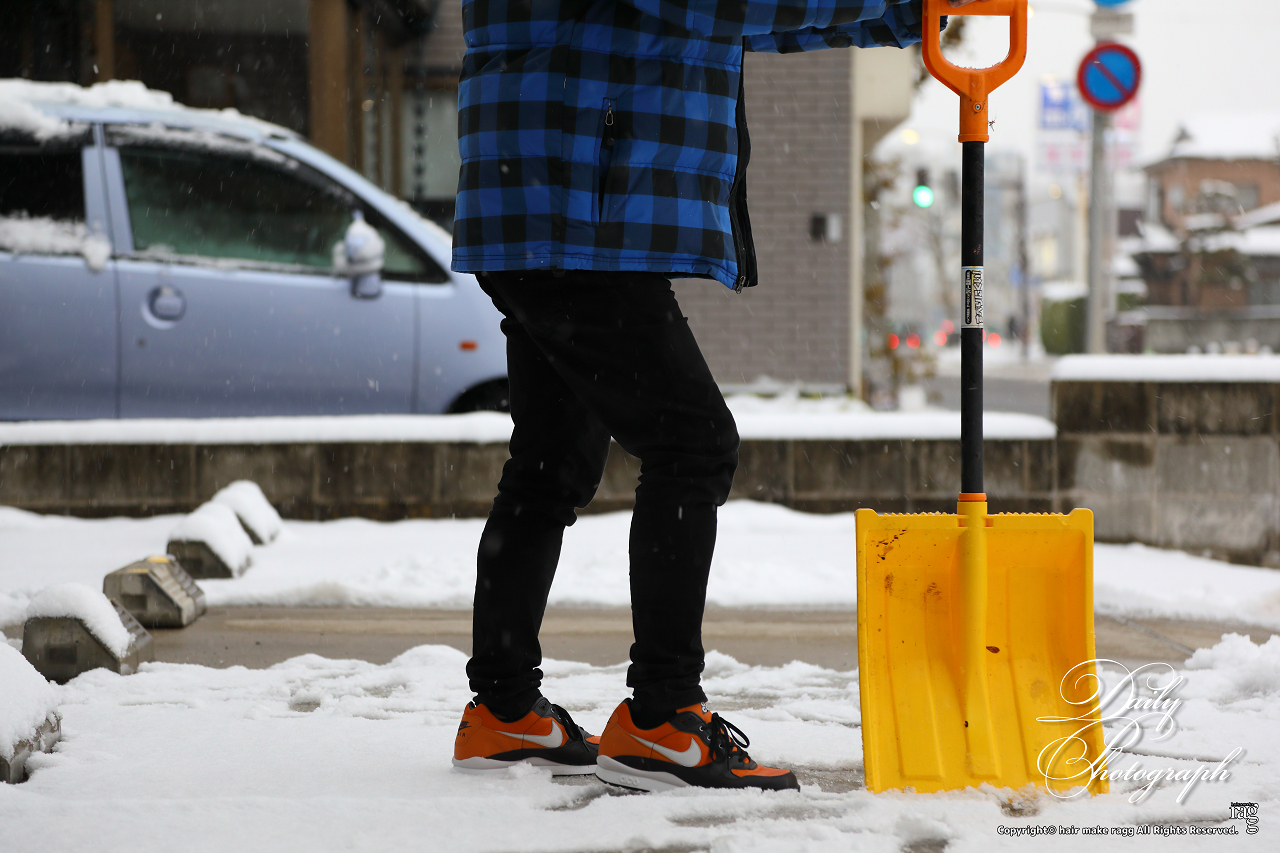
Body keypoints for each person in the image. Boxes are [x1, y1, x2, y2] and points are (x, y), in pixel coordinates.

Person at [451, 0, 945, 792]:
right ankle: (663, 716)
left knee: (551, 463)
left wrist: (902, 18)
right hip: (578, 207)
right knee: (692, 444)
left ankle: (504, 708)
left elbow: (736, 18)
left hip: (545, 203)